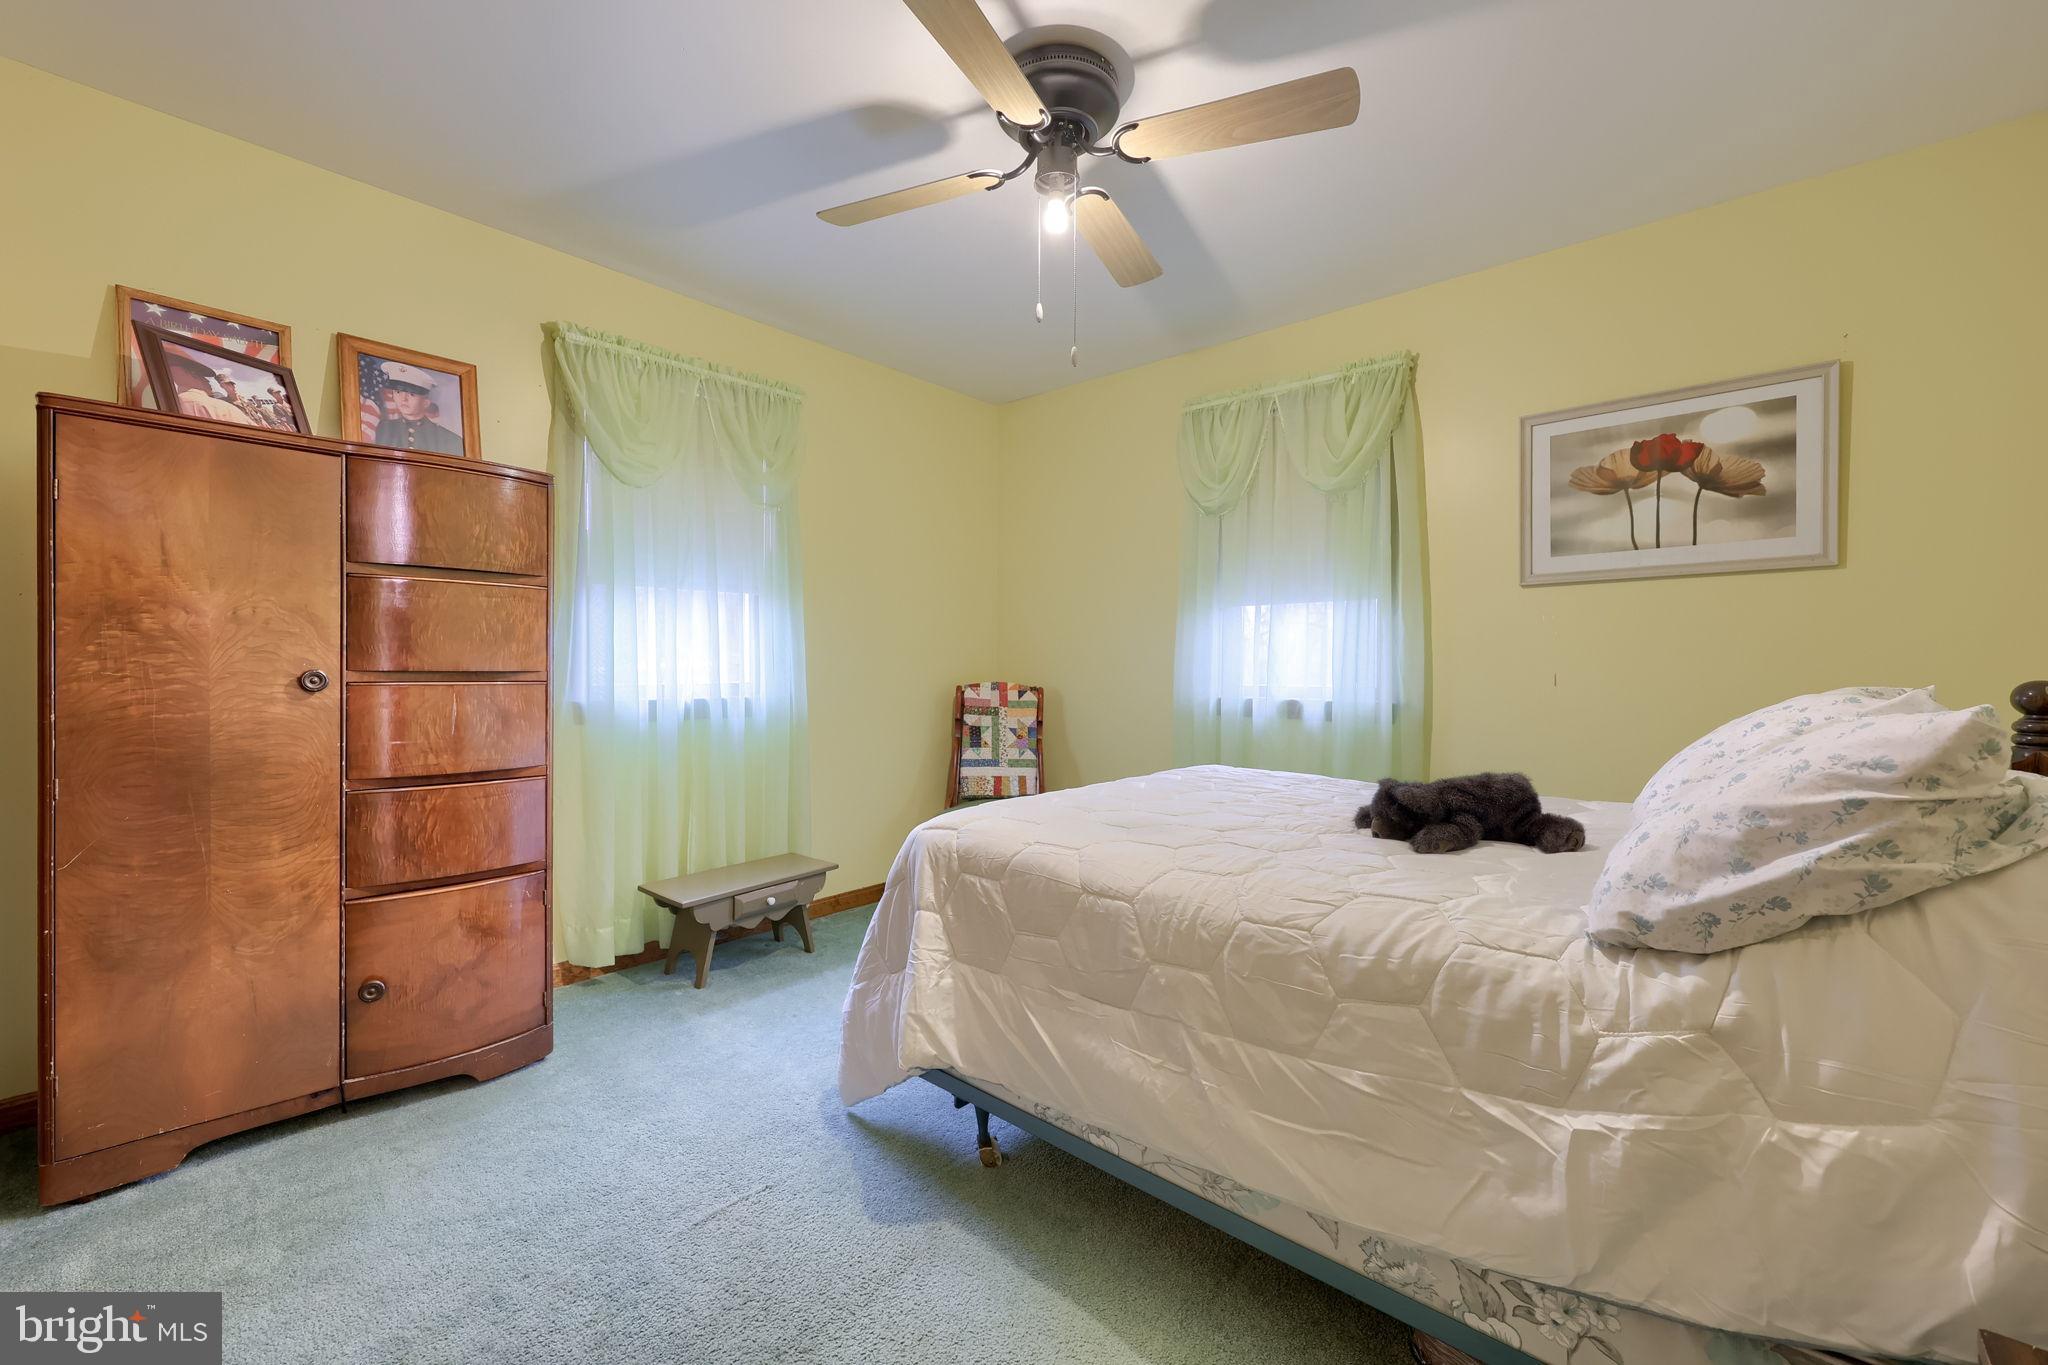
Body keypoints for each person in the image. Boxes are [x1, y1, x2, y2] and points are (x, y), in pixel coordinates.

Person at [371, 362, 463, 455]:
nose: (404, 399)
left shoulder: (449, 439)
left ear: (426, 403)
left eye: (412, 394)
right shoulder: (385, 428)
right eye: (398, 392)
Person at [164, 351, 253, 425]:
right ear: (192, 373)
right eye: (201, 375)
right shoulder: (222, 408)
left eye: (231, 384)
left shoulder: (170, 405)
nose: (208, 381)